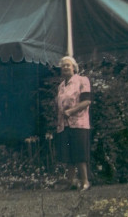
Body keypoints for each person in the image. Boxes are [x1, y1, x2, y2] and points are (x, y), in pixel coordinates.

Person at [56, 56, 91, 191]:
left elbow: (86, 101)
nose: (65, 67)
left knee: (80, 154)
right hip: (64, 124)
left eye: (68, 65)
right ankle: (71, 182)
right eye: (63, 65)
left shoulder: (82, 81)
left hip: (79, 123)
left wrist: (71, 111)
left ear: (74, 67)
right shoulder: (61, 86)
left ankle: (85, 182)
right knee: (68, 155)